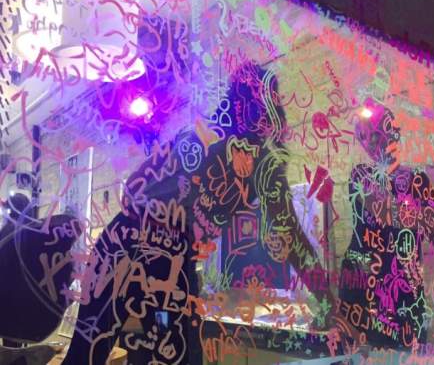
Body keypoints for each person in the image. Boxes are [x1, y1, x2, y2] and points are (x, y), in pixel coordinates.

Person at [61, 62, 359, 365]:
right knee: (99, 355)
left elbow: (291, 237)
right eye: (263, 101)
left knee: (153, 355)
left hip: (147, 251)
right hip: (142, 249)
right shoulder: (211, 143)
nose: (268, 113)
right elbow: (132, 190)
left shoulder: (242, 156)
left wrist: (328, 304)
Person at [339, 98, 434, 350]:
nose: (369, 142)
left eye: (375, 134)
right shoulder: (361, 175)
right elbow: (381, 210)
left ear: (392, 133)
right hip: (366, 296)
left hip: (406, 299)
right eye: (363, 137)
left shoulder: (417, 179)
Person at [0, 193, 81, 364]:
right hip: (29, 305)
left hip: (7, 304)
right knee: (17, 342)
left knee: (11, 343)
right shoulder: (35, 235)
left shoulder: (6, 234)